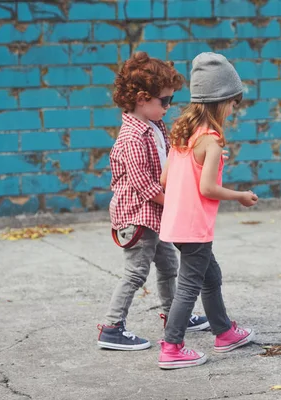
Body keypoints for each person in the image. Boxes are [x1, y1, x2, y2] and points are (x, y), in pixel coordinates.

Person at [97, 52, 209, 351]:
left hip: (155, 216)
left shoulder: (154, 125)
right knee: (135, 273)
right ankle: (112, 327)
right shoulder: (131, 137)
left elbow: (170, 159)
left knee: (169, 266)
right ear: (141, 98)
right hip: (137, 217)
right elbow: (145, 187)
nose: (169, 107)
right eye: (165, 101)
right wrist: (176, 203)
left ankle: (175, 315)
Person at [157, 52, 259, 369]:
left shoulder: (182, 134)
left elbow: (164, 178)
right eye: (232, 103)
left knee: (210, 276)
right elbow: (207, 189)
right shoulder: (211, 141)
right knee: (190, 285)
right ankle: (172, 347)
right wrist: (241, 195)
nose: (233, 109)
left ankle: (224, 331)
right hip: (195, 226)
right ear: (220, 101)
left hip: (175, 224)